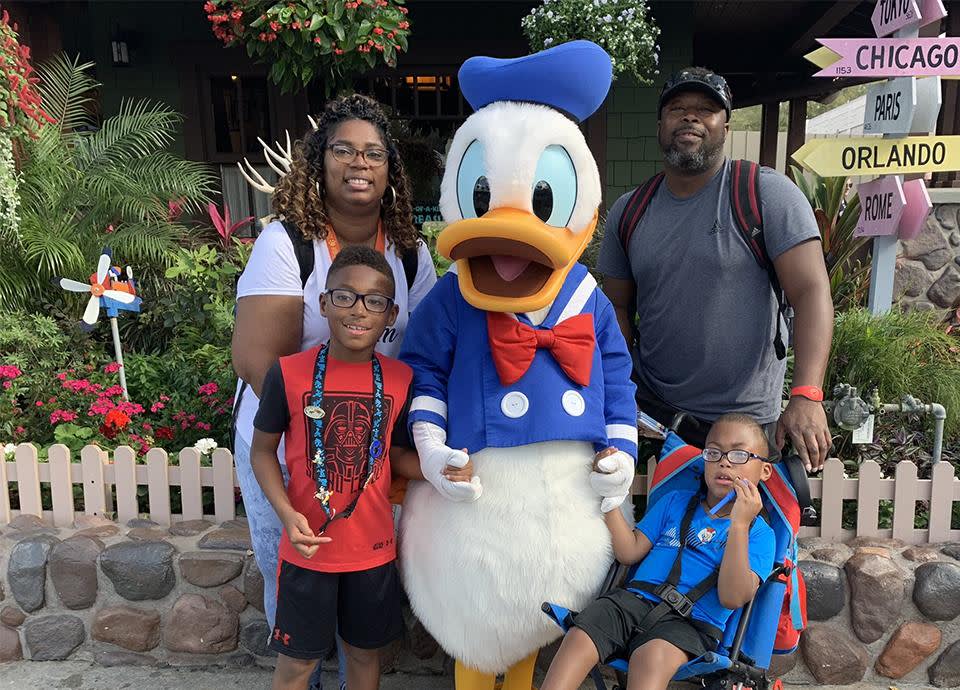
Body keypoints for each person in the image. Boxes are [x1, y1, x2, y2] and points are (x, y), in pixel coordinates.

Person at [231, 94, 437, 688]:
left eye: (374, 153)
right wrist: (313, 454)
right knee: (295, 583)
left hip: (367, 447)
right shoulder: (286, 243)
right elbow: (258, 362)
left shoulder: (408, 250)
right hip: (287, 444)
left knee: (361, 601)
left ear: (390, 169)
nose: (359, 163)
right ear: (319, 161)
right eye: (343, 149)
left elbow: (421, 352)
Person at [250, 246, 473, 690]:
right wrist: (286, 514)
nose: (359, 309)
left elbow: (393, 455)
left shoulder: (400, 380)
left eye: (374, 301)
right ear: (323, 303)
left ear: (390, 314)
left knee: (365, 658)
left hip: (372, 553)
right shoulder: (288, 374)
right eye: (345, 296)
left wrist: (436, 468)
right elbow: (261, 452)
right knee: (296, 665)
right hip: (308, 552)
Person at [597, 67, 834, 471]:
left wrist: (807, 394)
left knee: (742, 533)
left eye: (706, 109)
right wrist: (617, 387)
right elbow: (615, 308)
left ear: (725, 125)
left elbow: (811, 292)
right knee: (659, 532)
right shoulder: (630, 211)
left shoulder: (764, 194)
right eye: (677, 109)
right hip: (655, 418)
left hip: (745, 424)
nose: (690, 117)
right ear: (660, 124)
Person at [541, 413, 775, 690]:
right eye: (713, 452)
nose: (724, 461)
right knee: (581, 635)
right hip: (632, 601)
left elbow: (732, 597)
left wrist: (739, 524)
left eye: (739, 455)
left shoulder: (759, 534)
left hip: (691, 624)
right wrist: (610, 495)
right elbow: (629, 552)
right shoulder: (673, 502)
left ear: (764, 471)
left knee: (652, 658)